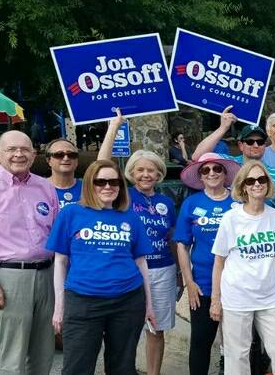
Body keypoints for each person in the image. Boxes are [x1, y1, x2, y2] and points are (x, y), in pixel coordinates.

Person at [47, 160, 156, 375]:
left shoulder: (131, 218)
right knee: (76, 368)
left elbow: (141, 263)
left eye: (114, 181)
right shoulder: (71, 214)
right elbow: (60, 262)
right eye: (101, 181)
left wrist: (149, 306)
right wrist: (59, 307)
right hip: (83, 301)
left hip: (127, 301)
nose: (108, 186)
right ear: (90, 184)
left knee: (122, 367)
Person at [0, 130, 60, 375]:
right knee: (12, 354)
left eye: (25, 149)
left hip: (47, 275)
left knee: (44, 350)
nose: (19, 154)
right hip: (8, 278)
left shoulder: (46, 188)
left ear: (34, 154)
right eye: (12, 149)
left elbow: (57, 234)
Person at [97, 117, 178, 375]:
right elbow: (101, 165)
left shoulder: (167, 201)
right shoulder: (122, 195)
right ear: (131, 173)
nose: (146, 174)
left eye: (151, 170)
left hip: (163, 270)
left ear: (159, 174)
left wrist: (178, 274)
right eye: (140, 170)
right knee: (125, 329)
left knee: (157, 328)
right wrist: (114, 127)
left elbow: (172, 238)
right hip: (129, 271)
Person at [209, 160, 275, 375]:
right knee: (237, 357)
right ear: (243, 186)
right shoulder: (231, 219)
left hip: (269, 297)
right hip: (237, 297)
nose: (257, 184)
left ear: (268, 183)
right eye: (251, 180)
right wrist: (215, 300)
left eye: (262, 179)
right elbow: (219, 262)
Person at [173, 152, 241, 375]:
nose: (212, 173)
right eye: (206, 170)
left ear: (225, 173)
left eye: (217, 169)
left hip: (238, 284)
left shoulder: (239, 202)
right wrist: (189, 282)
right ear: (200, 176)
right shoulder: (191, 203)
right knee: (201, 342)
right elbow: (182, 245)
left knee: (240, 344)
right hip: (203, 284)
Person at [191, 107, 275, 207]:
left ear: (265, 145)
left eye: (260, 141)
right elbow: (197, 156)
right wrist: (223, 128)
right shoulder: (227, 165)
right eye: (250, 142)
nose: (255, 145)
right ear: (241, 145)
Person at [45, 138, 82, 209]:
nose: (66, 158)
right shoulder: (38, 189)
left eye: (71, 154)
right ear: (48, 160)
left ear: (77, 161)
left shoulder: (88, 188)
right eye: (59, 154)